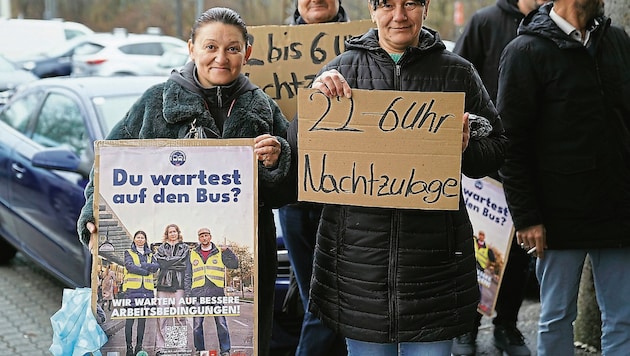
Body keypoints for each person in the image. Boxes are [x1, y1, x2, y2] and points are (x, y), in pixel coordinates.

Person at [288, 0, 506, 354]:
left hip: (434, 269)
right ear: (372, 12)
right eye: (387, 5)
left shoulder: (457, 72)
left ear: (426, 8)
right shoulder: (342, 70)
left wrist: (466, 147)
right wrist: (315, 103)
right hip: (360, 271)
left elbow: (496, 148)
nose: (399, 15)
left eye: (410, 4)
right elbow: (301, 151)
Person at [76, 7, 292, 356]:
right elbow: (108, 169)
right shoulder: (155, 103)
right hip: (165, 284)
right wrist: (92, 215)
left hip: (253, 255)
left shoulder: (262, 108)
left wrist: (277, 161)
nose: (221, 58)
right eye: (210, 47)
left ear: (247, 53)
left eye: (233, 48)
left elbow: (287, 192)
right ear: (191, 47)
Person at [496, 1, 630, 355]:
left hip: (618, 212)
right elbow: (511, 143)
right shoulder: (524, 51)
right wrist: (527, 217)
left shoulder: (617, 42)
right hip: (556, 219)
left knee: (624, 318)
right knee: (556, 318)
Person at [451, 2, 549, 355]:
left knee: (520, 255)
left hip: (529, 163)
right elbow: (455, 79)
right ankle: (468, 327)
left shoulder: (552, 22)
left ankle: (507, 324)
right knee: (479, 250)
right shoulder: (484, 22)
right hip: (485, 163)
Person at [280, 1, 349, 355]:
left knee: (326, 304)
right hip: (293, 196)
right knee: (320, 302)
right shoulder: (270, 49)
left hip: (345, 194)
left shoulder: (362, 46)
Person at [190, 227, 238, 356]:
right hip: (198, 293)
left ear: (210, 236)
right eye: (201, 236)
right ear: (199, 238)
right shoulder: (193, 253)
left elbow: (234, 264)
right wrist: (189, 294)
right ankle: (200, 350)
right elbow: (189, 275)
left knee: (221, 323)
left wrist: (227, 251)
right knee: (197, 325)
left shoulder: (219, 251)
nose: (204, 238)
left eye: (206, 235)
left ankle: (225, 350)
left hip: (216, 292)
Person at [153, 224, 192, 355]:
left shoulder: (185, 248)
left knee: (180, 317)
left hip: (179, 286)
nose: (173, 234)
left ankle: (180, 347)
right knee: (161, 317)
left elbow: (184, 265)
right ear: (167, 234)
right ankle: (161, 347)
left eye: (175, 231)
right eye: (170, 232)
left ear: (178, 233)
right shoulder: (161, 248)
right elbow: (161, 262)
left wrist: (168, 262)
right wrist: (175, 262)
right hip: (163, 285)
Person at [122, 230, 159, 356]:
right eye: (138, 237)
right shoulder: (129, 252)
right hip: (132, 291)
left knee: (142, 320)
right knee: (130, 320)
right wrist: (145, 271)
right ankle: (129, 347)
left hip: (146, 292)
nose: (140, 239)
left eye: (142, 237)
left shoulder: (150, 254)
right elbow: (129, 266)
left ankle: (139, 346)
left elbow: (156, 266)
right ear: (134, 239)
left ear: (145, 240)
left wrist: (143, 265)